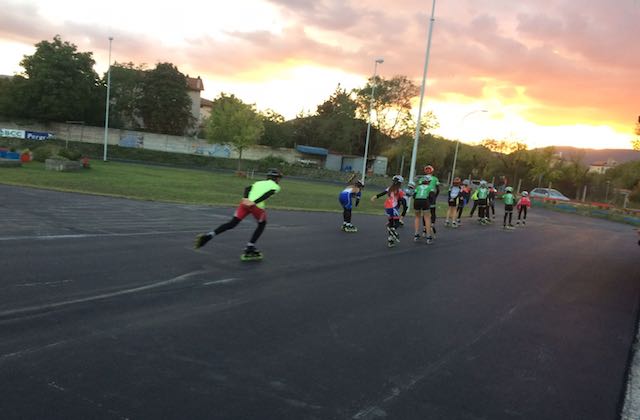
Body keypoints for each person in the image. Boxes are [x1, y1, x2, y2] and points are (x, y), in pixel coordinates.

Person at [194, 168, 283, 259]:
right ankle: (250, 246)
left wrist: (245, 198)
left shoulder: (258, 182)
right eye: (279, 178)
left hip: (244, 203)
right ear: (276, 178)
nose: (279, 180)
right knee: (262, 224)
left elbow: (247, 188)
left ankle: (208, 236)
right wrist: (254, 202)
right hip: (256, 207)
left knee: (232, 223)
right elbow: (267, 194)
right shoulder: (276, 187)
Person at [371, 175, 405, 247]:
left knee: (391, 222)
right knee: (397, 223)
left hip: (387, 207)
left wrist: (375, 197)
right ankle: (392, 229)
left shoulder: (389, 188)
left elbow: (382, 193)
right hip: (393, 208)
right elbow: (403, 202)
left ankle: (390, 240)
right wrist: (404, 211)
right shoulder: (400, 191)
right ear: (400, 183)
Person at [410, 174, 435, 244]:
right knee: (427, 218)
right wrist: (430, 203)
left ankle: (416, 234)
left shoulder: (418, 187)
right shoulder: (430, 187)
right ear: (428, 181)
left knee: (417, 217)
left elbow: (414, 195)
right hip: (425, 201)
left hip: (417, 201)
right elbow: (432, 196)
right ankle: (428, 236)